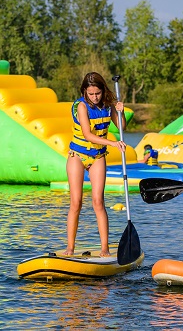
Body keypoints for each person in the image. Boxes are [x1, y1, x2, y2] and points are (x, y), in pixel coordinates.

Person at [64, 72, 126, 257]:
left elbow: (122, 127)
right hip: (77, 156)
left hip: (98, 157)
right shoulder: (81, 106)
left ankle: (105, 249)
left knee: (98, 202)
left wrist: (120, 111)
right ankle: (70, 248)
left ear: (102, 91)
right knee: (76, 202)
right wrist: (113, 143)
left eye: (97, 93)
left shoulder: (108, 105)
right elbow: (87, 134)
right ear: (84, 91)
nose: (94, 97)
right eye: (90, 94)